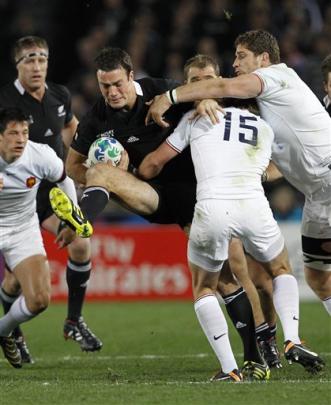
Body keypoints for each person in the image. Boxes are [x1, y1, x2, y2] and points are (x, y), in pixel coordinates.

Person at [50, 49, 269, 380]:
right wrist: (124, 171)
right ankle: (83, 220)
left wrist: (205, 101)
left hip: (193, 196)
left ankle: (254, 359)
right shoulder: (97, 117)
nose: (112, 93)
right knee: (98, 172)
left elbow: (199, 93)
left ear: (131, 75)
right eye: (104, 86)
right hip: (149, 193)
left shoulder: (159, 89)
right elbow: (73, 167)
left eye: (117, 84)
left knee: (222, 279)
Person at [146, 29, 331, 319]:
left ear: (264, 58)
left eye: (241, 56)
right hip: (317, 198)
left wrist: (169, 96)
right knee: (319, 280)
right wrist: (260, 176)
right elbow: (288, 156)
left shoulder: (277, 76)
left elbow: (223, 87)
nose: (235, 63)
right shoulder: (268, 108)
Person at [139, 97, 325, 375]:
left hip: (211, 207)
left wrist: (138, 171)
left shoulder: (195, 118)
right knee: (280, 269)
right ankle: (292, 339)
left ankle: (230, 369)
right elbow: (285, 164)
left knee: (204, 287)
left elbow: (153, 164)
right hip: (253, 205)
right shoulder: (264, 126)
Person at [0, 36, 102, 361]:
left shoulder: (59, 95)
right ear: (18, 65)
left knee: (82, 243)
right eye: (30, 60)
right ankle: (12, 330)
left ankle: (73, 320)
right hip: (18, 196)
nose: (37, 66)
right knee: (15, 281)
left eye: (42, 59)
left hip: (47, 194)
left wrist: (86, 154)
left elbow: (71, 128)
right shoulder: (5, 100)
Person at [0, 107, 79, 368]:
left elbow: (64, 181)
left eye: (24, 132)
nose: (21, 139)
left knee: (39, 300)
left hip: (23, 228)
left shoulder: (39, 155)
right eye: (13, 133)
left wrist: (71, 221)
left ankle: (3, 331)